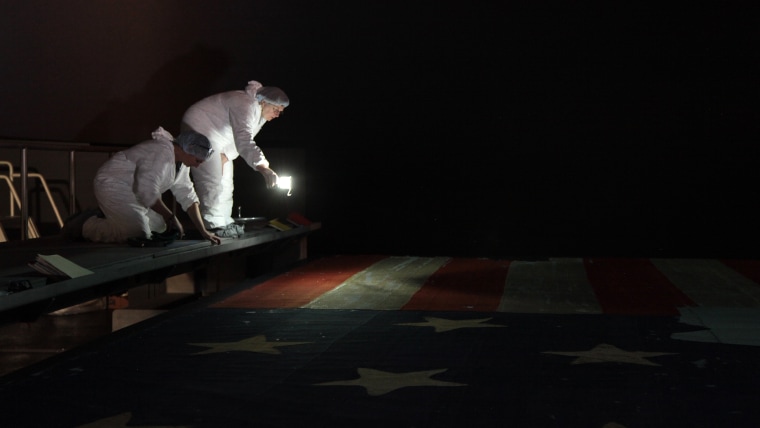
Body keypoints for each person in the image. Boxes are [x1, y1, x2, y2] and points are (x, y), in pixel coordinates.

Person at [62, 127, 221, 245]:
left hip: (134, 192)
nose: (198, 166)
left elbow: (187, 196)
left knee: (159, 227)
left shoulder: (181, 164)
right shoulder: (160, 152)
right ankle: (84, 225)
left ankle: (110, 216)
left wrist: (204, 232)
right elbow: (147, 189)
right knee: (137, 232)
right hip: (113, 185)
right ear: (188, 150)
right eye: (198, 161)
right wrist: (170, 217)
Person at [180, 80, 288, 237]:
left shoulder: (260, 114)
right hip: (200, 128)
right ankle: (212, 226)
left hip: (219, 138)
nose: (278, 114)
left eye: (281, 111)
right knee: (212, 180)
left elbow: (240, 139)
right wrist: (263, 168)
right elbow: (244, 139)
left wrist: (227, 155)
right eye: (276, 109)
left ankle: (223, 222)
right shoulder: (246, 105)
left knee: (226, 181)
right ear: (264, 102)